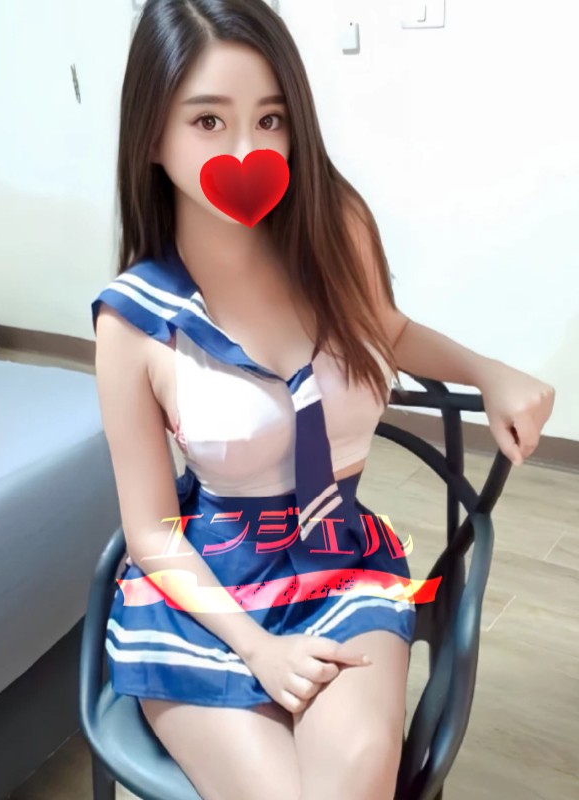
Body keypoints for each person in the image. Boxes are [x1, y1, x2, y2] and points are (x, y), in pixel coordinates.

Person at [91, 2, 555, 799]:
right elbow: (150, 531)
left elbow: (385, 328)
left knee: (352, 781)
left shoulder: (334, 227)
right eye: (208, 121)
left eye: (270, 119)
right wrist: (257, 649)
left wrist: (487, 371)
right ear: (151, 137)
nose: (247, 151)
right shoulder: (133, 321)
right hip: (207, 589)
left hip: (340, 562)